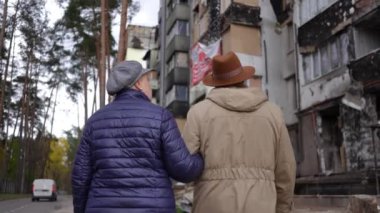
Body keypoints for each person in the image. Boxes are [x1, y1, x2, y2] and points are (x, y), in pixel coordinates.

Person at [72, 60, 204, 213]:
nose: (150, 84)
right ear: (138, 83)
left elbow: (80, 178)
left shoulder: (94, 122)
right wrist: (202, 157)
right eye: (147, 80)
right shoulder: (161, 117)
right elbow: (183, 169)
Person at [183, 52, 296, 213]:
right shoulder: (273, 113)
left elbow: (185, 165)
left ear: (215, 82)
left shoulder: (198, 113)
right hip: (261, 206)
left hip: (211, 204)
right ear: (243, 79)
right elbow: (286, 169)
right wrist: (282, 209)